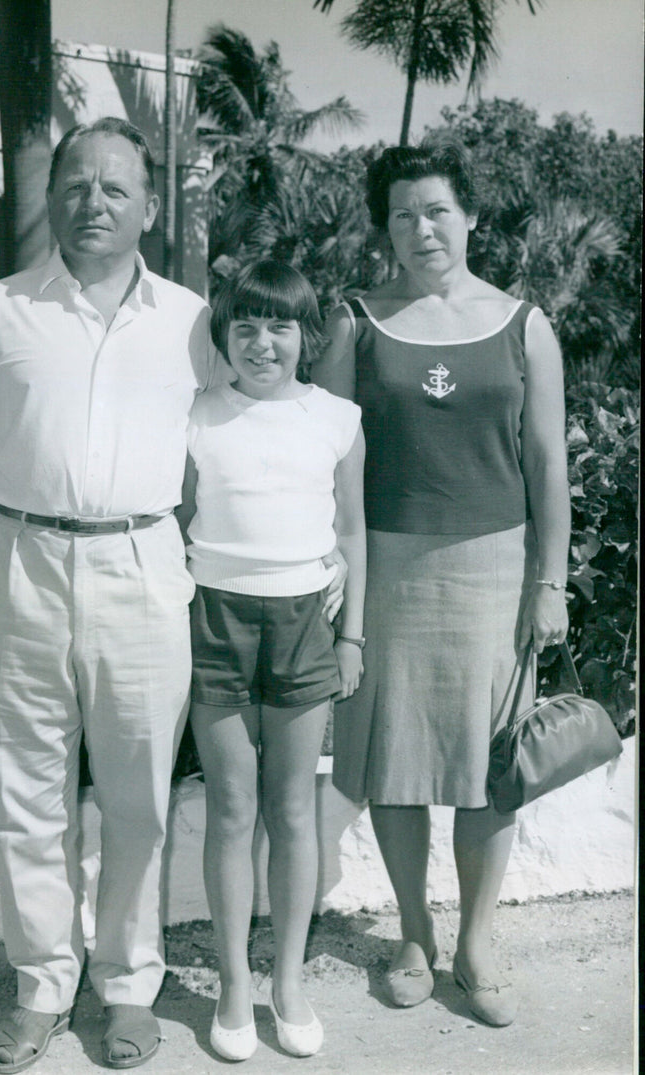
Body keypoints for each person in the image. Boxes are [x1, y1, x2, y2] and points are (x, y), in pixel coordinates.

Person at [0, 117, 215, 1072]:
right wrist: (25, 507)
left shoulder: (191, 323)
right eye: (77, 185)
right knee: (27, 788)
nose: (95, 203)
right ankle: (43, 982)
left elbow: (221, 447)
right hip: (18, 565)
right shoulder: (0, 310)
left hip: (143, 566)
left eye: (116, 188)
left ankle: (129, 984)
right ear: (50, 197)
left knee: (138, 792)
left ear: (150, 207)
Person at [313, 141, 570, 1028]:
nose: (420, 229)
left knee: (490, 767)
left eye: (436, 211)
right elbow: (325, 457)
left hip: (497, 569)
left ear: (469, 219)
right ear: (385, 227)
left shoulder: (523, 322)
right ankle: (416, 936)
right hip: (384, 567)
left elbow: (545, 463)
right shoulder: (357, 321)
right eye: (401, 215)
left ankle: (478, 942)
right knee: (398, 759)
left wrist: (552, 579)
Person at [177, 260, 366, 1061]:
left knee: (292, 809)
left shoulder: (338, 418)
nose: (262, 341)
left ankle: (286, 981)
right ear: (224, 334)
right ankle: (229, 985)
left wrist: (351, 632)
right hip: (214, 615)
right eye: (246, 325)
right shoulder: (194, 415)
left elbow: (352, 531)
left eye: (279, 324)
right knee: (230, 807)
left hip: (304, 622)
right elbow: (177, 517)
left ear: (305, 335)